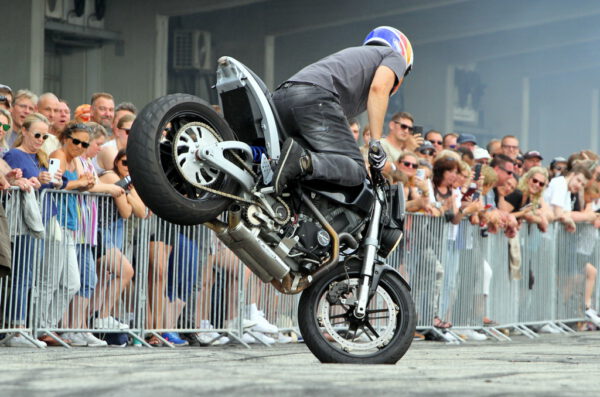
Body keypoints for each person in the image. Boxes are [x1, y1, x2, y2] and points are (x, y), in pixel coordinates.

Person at [271, 26, 413, 194]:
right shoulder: (395, 57)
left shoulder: (356, 61)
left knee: (310, 170)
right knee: (356, 168)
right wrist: (376, 143)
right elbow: (379, 88)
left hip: (281, 98)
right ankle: (302, 160)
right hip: (314, 98)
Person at [3, 113, 63, 347]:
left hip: (40, 221)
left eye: (44, 135)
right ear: (24, 132)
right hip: (23, 222)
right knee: (21, 276)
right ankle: (15, 329)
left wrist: (53, 180)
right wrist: (34, 180)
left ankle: (22, 327)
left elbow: (42, 183)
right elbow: (14, 182)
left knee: (30, 276)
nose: (40, 139)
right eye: (37, 134)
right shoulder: (15, 154)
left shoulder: (40, 156)